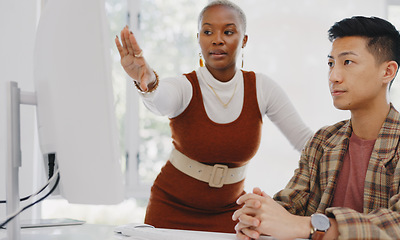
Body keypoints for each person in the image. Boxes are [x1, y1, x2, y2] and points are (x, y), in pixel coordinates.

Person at [233, 16, 400, 240]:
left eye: (347, 62)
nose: (333, 76)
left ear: (387, 72)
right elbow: (290, 208)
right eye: (330, 63)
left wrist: (310, 227)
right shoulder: (323, 140)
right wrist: (258, 217)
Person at [114, 0, 313, 233]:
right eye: (208, 32)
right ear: (198, 38)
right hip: (170, 209)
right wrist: (147, 80)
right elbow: (160, 100)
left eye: (228, 31)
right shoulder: (185, 86)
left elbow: (308, 144)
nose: (217, 39)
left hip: (229, 213)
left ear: (244, 40)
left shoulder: (262, 88)